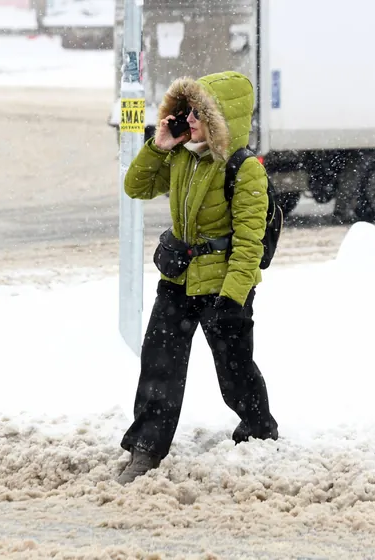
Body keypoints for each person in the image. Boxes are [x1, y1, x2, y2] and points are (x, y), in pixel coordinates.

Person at [117, 71, 279, 485]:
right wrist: (158, 145)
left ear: (219, 119)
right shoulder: (181, 156)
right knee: (159, 365)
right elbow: (135, 187)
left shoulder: (245, 170)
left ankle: (258, 429)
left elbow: (249, 243)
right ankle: (146, 449)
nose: (188, 120)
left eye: (197, 113)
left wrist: (232, 298)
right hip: (179, 279)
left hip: (224, 286)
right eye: (185, 112)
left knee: (235, 370)